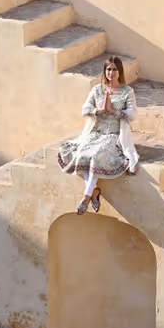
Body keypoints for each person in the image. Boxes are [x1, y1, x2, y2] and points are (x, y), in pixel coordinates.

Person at [57, 56, 139, 214]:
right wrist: (98, 111)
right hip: (96, 132)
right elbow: (85, 109)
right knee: (81, 155)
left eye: (115, 69)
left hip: (114, 134)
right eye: (108, 69)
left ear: (119, 71)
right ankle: (94, 192)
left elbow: (132, 113)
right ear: (105, 71)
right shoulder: (97, 90)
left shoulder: (127, 91)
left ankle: (86, 197)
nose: (111, 72)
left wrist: (115, 111)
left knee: (96, 157)